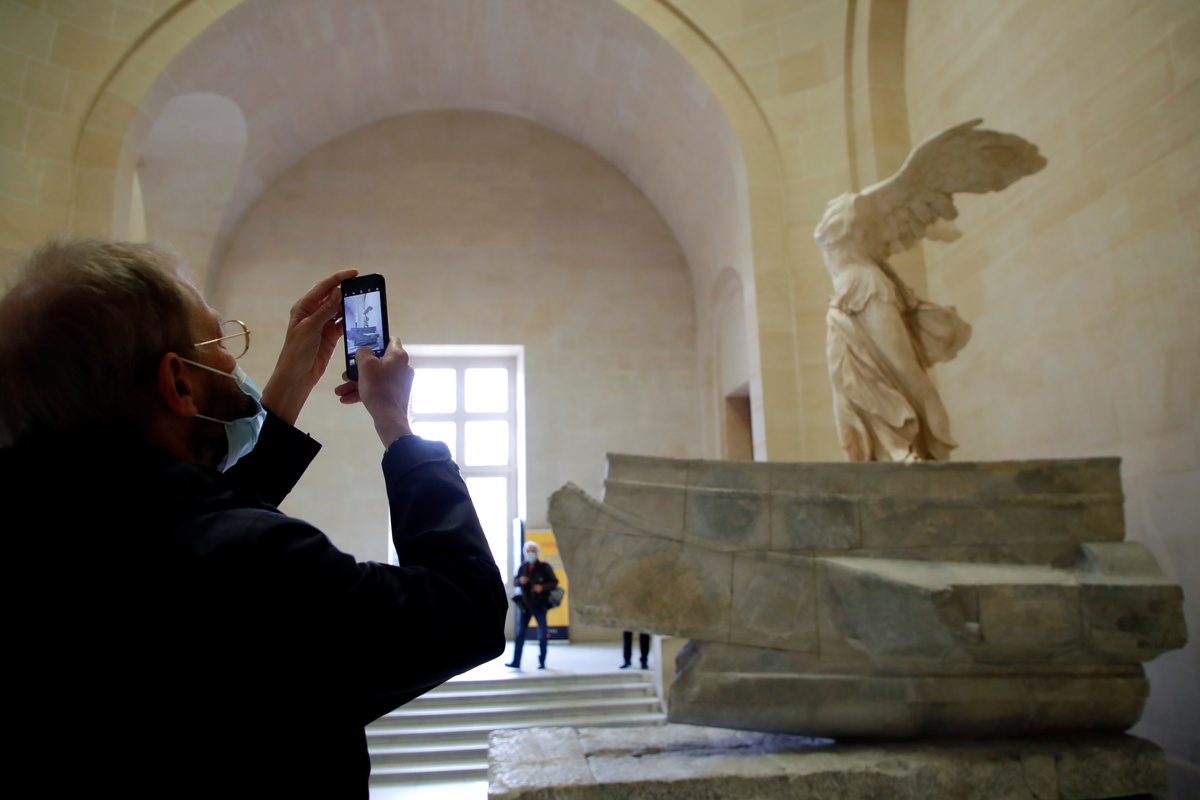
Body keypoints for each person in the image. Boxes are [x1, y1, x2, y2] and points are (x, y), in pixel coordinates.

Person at [0, 238, 508, 797]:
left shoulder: (56, 527)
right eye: (217, 341)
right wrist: (397, 424)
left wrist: (293, 380)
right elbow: (468, 608)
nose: (231, 359)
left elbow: (182, 515)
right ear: (178, 382)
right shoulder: (256, 562)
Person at [505, 540, 558, 669]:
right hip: (525, 605)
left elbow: (553, 582)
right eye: (528, 551)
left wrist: (542, 587)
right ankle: (516, 661)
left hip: (540, 605)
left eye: (533, 551)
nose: (531, 554)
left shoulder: (544, 567)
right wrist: (520, 581)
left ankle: (542, 661)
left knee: (543, 635)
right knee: (520, 634)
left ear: (537, 552)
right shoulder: (523, 567)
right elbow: (515, 581)